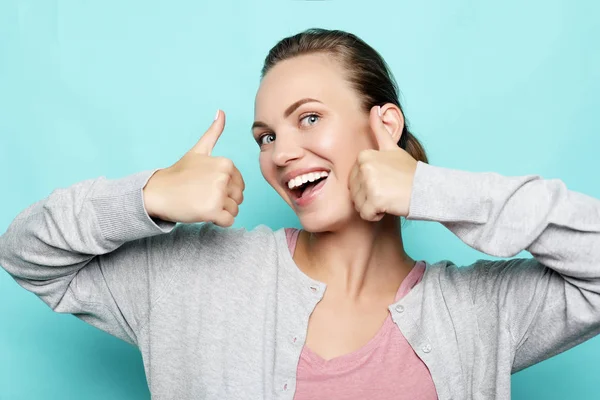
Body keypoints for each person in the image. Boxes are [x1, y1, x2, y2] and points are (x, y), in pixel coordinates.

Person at [1, 28, 599, 400]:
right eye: (265, 136)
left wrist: (433, 190)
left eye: (309, 118)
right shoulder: (189, 279)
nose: (282, 153)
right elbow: (27, 254)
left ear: (383, 126)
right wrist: (148, 196)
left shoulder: (482, 314)